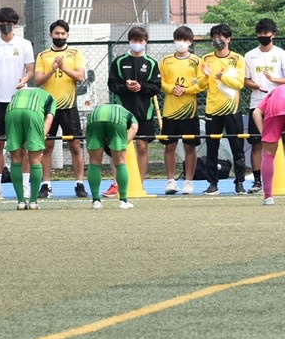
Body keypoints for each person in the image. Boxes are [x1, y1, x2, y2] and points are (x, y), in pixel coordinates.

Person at [0, 6, 35, 200]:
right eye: (2, 23)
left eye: (9, 23)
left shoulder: (25, 44)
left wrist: (25, 80)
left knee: (22, 146)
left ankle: (25, 185)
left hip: (20, 101)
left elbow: (30, 70)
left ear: (15, 24)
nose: (6, 26)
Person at [34, 20, 88, 199]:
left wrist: (64, 67)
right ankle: (46, 185)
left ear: (67, 35)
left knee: (75, 145)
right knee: (47, 146)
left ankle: (79, 183)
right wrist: (53, 69)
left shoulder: (75, 54)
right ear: (51, 35)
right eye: (56, 34)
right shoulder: (43, 55)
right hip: (49, 108)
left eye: (62, 34)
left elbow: (81, 77)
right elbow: (38, 81)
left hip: (69, 107)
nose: (59, 37)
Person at [244, 17, 285, 193]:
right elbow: (246, 80)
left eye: (265, 33)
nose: (262, 36)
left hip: (278, 104)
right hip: (258, 104)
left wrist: (274, 80)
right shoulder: (250, 55)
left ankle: (279, 176)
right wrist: (255, 85)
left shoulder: (282, 54)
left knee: (278, 140)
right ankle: (258, 181)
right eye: (259, 33)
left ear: (273, 34)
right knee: (257, 142)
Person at [106, 26, 160, 196]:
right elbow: (112, 85)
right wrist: (127, 88)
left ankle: (139, 183)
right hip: (122, 113)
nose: (137, 44)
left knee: (143, 147)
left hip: (145, 112)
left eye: (141, 41)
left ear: (146, 42)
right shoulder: (119, 61)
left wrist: (140, 87)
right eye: (134, 40)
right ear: (129, 41)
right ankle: (116, 184)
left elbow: (156, 87)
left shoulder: (151, 63)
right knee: (119, 147)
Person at [200, 23, 248, 194]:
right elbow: (200, 85)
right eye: (214, 37)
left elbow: (239, 83)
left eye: (221, 37)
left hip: (232, 109)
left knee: (237, 146)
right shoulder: (206, 59)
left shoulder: (238, 59)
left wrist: (224, 78)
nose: (217, 40)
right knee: (212, 147)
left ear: (228, 39)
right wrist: (205, 77)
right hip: (212, 109)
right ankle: (213, 184)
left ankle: (240, 182)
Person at [157, 26, 204, 195]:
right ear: (174, 40)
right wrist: (171, 89)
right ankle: (170, 181)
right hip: (170, 112)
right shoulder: (165, 61)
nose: (181, 43)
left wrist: (187, 90)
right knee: (170, 146)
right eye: (179, 39)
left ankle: (189, 182)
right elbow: (160, 82)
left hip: (190, 112)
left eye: (185, 40)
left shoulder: (197, 61)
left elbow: (201, 84)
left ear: (190, 42)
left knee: (190, 147)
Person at [5, 84, 56, 210]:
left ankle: (21, 202)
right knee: (35, 160)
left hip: (12, 112)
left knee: (16, 160)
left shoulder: (18, 93)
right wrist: (40, 137)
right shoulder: (50, 97)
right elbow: (49, 119)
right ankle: (33, 202)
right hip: (33, 113)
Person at [85, 102, 139, 209]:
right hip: (116, 120)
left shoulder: (97, 109)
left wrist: (91, 145)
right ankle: (123, 201)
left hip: (94, 119)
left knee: (94, 163)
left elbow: (86, 129)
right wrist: (123, 144)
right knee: (120, 162)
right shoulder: (128, 114)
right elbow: (134, 128)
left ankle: (96, 201)